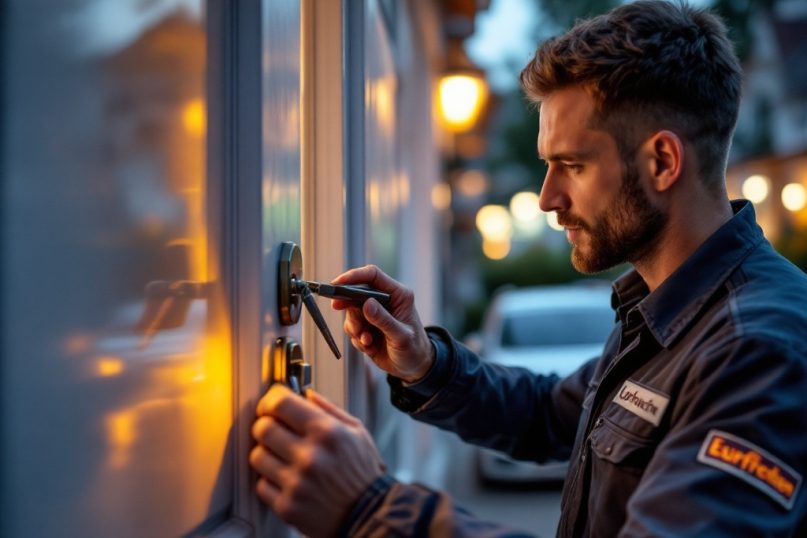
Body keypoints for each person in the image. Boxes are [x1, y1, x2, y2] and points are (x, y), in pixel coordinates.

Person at [249, 1, 807, 536]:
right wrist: (425, 362)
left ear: (662, 161)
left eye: (572, 165)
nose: (546, 198)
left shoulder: (756, 348)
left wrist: (370, 510)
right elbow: (549, 413)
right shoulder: (667, 311)